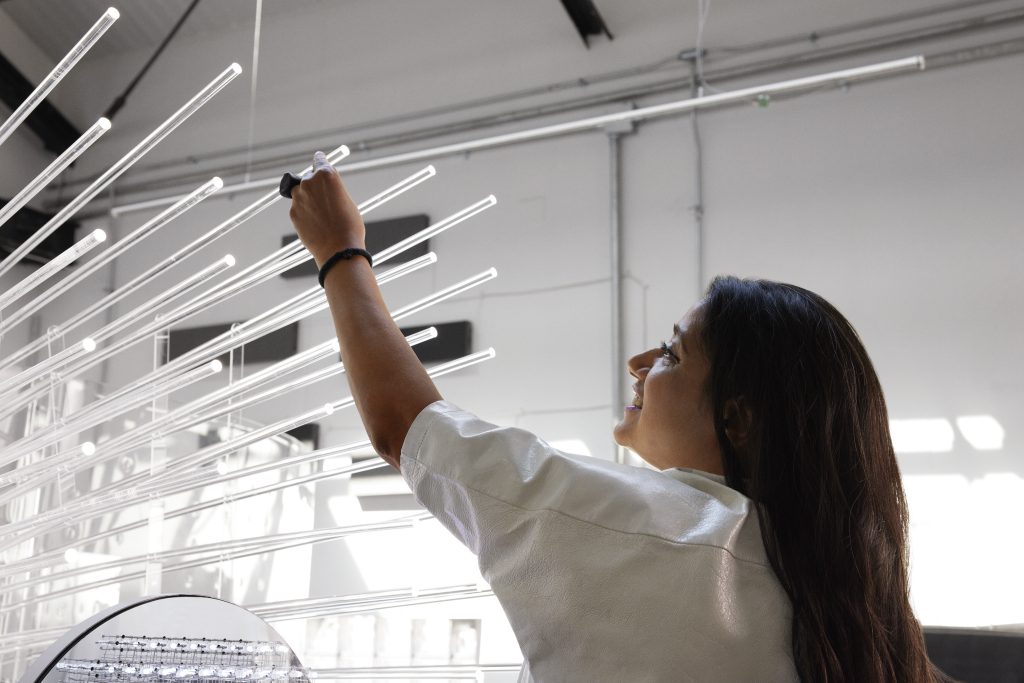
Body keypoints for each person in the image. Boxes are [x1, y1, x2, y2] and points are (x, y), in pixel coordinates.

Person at [287, 152, 954, 682]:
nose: (639, 362)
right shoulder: (839, 597)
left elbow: (406, 423)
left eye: (671, 352)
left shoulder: (656, 532)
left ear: (739, 419)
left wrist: (341, 252)